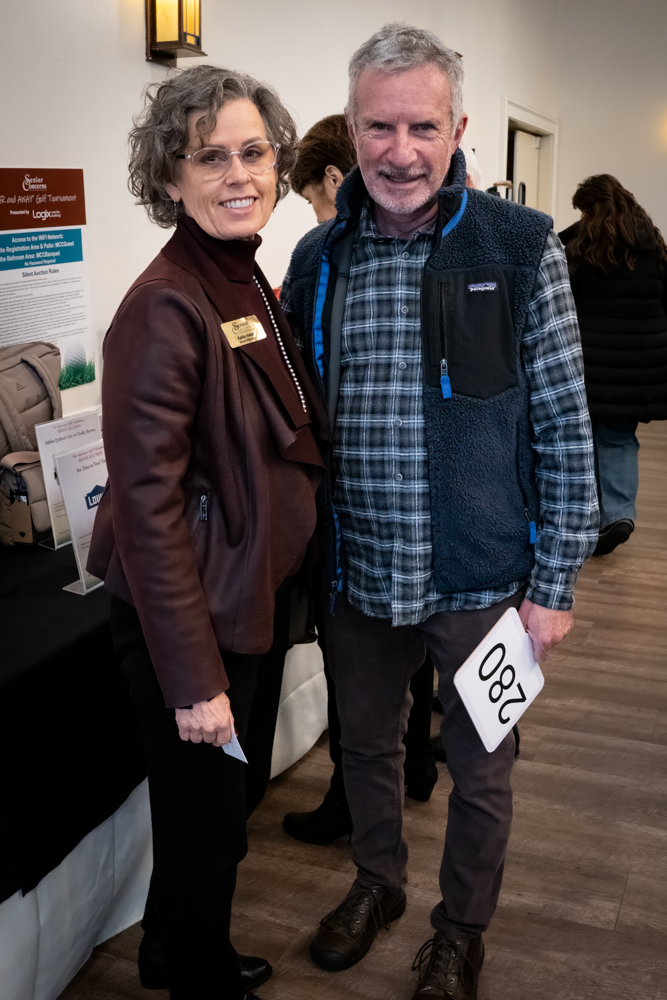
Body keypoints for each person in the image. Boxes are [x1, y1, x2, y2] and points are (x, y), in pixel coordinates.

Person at [281, 23, 598, 1000]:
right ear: (352, 129)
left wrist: (554, 584)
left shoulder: (519, 245)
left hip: (484, 578)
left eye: (423, 126)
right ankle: (377, 882)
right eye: (379, 127)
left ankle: (460, 930)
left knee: (483, 767)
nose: (400, 150)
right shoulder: (319, 256)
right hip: (358, 574)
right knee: (364, 746)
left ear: (457, 129)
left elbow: (563, 420)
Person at [88, 64, 327, 1000]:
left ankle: (167, 948)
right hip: (194, 619)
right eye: (209, 157)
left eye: (254, 152)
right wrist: (193, 681)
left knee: (220, 812)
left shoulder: (240, 270)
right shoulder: (166, 302)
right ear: (168, 177)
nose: (240, 175)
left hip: (245, 598)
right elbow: (146, 512)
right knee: (206, 822)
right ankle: (194, 973)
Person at [283, 113, 439, 847]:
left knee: (368, 658)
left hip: (363, 509)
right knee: (401, 646)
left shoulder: (338, 260)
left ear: (332, 179)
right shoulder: (327, 259)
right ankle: (412, 767)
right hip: (401, 516)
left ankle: (360, 793)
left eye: (313, 200)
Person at [559, 175, 667, 555]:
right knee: (619, 437)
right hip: (640, 366)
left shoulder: (583, 248)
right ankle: (618, 513)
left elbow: (564, 298)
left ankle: (591, 516)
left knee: (586, 439)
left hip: (592, 363)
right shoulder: (652, 244)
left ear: (591, 208)